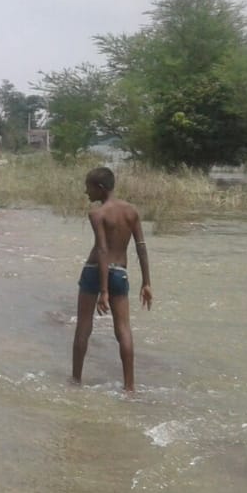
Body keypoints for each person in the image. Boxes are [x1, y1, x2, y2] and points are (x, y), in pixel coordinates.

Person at [71, 167, 153, 392]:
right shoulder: (131, 212)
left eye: (88, 187)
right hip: (119, 273)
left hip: (94, 271)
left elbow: (102, 249)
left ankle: (76, 381)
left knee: (83, 327)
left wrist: (104, 291)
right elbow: (141, 246)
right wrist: (146, 282)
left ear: (100, 188)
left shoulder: (97, 214)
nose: (86, 192)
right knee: (123, 330)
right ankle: (130, 387)